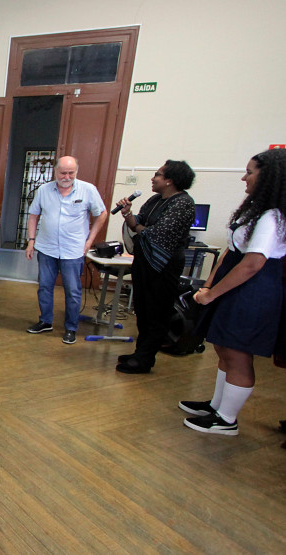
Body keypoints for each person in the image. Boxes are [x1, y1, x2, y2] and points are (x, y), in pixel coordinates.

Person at [180, 149, 286, 435]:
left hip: (253, 292)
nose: (244, 177)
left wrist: (213, 294)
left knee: (238, 353)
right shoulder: (255, 211)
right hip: (233, 286)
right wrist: (208, 285)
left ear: (268, 177)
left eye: (250, 172)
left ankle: (227, 419)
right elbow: (231, 253)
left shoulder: (272, 218)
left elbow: (252, 264)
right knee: (224, 347)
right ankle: (217, 405)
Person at [115, 160, 196, 373]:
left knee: (157, 312)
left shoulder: (183, 203)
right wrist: (128, 213)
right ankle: (140, 352)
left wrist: (140, 227)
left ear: (170, 180)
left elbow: (158, 235)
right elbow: (138, 223)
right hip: (144, 261)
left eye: (158, 175)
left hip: (163, 267)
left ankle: (145, 359)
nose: (153, 178)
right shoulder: (155, 199)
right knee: (142, 310)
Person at [24, 156, 108, 343]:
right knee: (45, 287)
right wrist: (31, 241)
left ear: (76, 172)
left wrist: (90, 240)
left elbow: (102, 214)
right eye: (63, 173)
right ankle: (45, 321)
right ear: (55, 171)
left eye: (71, 173)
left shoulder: (88, 190)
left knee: (73, 291)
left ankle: (71, 327)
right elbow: (33, 215)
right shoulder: (44, 190)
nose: (67, 176)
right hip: (47, 248)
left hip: (73, 250)